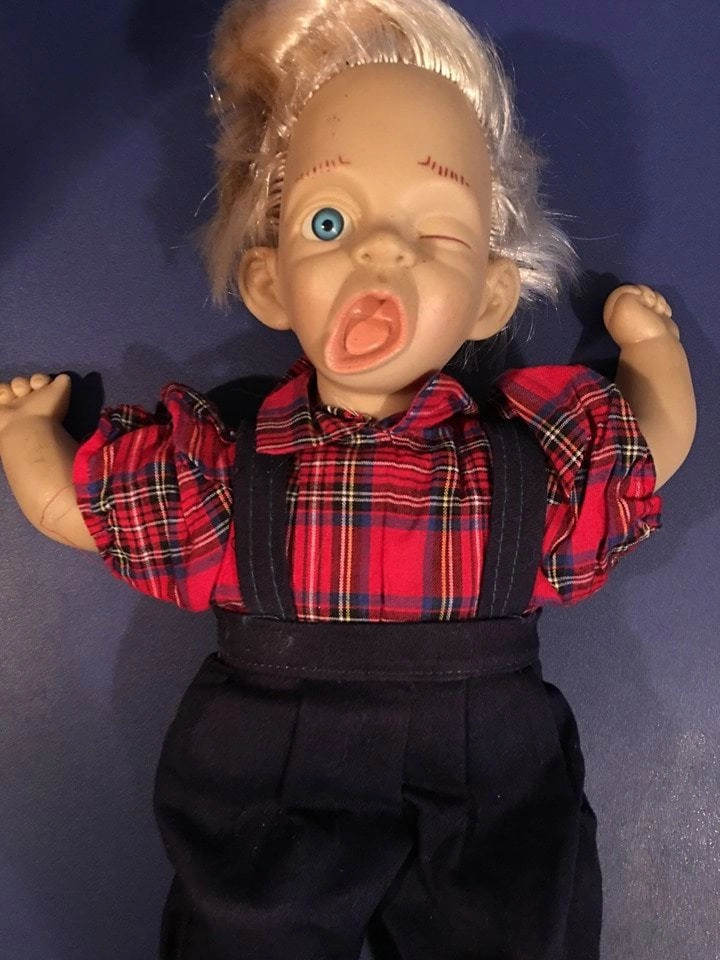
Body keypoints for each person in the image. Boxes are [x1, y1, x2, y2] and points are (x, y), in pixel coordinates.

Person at [0, 1, 695, 957]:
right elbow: (81, 510)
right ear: (270, 283)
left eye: (437, 232)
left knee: (510, 927)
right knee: (247, 932)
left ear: (490, 298)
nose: (382, 249)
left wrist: (651, 355)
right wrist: (29, 439)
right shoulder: (231, 480)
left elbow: (644, 453)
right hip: (273, 767)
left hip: (487, 776)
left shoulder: (528, 471)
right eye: (330, 222)